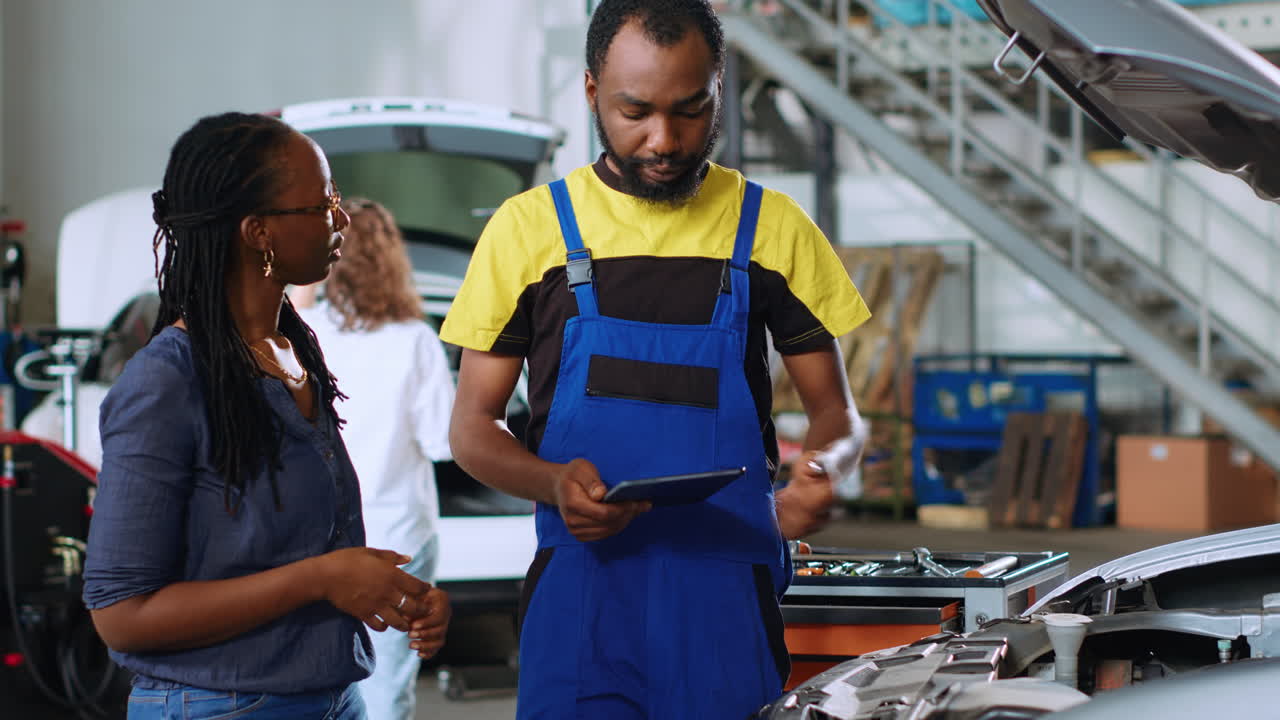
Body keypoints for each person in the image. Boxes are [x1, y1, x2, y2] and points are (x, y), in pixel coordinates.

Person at [439, 1, 871, 717]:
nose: (663, 139)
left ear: (719, 87)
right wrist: (551, 482)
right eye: (634, 111)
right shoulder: (528, 230)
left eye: (690, 110)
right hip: (583, 601)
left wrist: (827, 467)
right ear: (590, 93)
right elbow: (472, 429)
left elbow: (837, 412)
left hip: (728, 604)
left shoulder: (775, 229)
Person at [81, 112, 450, 720]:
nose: (342, 218)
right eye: (322, 203)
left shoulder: (292, 350)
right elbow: (120, 615)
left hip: (331, 697)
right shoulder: (166, 380)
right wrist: (321, 579)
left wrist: (390, 593)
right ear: (258, 232)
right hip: (219, 705)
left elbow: (286, 549)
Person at [293, 198, 455, 720]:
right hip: (398, 535)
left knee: (311, 680)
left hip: (313, 541)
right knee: (386, 686)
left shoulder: (298, 332)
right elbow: (442, 443)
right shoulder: (414, 340)